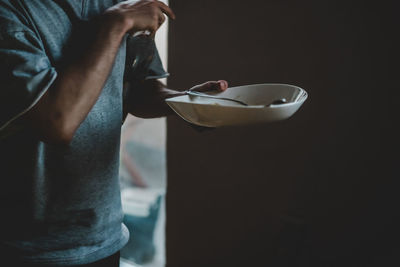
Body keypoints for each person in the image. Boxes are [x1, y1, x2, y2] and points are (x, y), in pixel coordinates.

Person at [0, 0, 228, 266]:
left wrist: (187, 102)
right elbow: (57, 121)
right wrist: (115, 25)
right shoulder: (9, 13)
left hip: (105, 237)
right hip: (25, 248)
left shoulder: (116, 5)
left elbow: (139, 88)